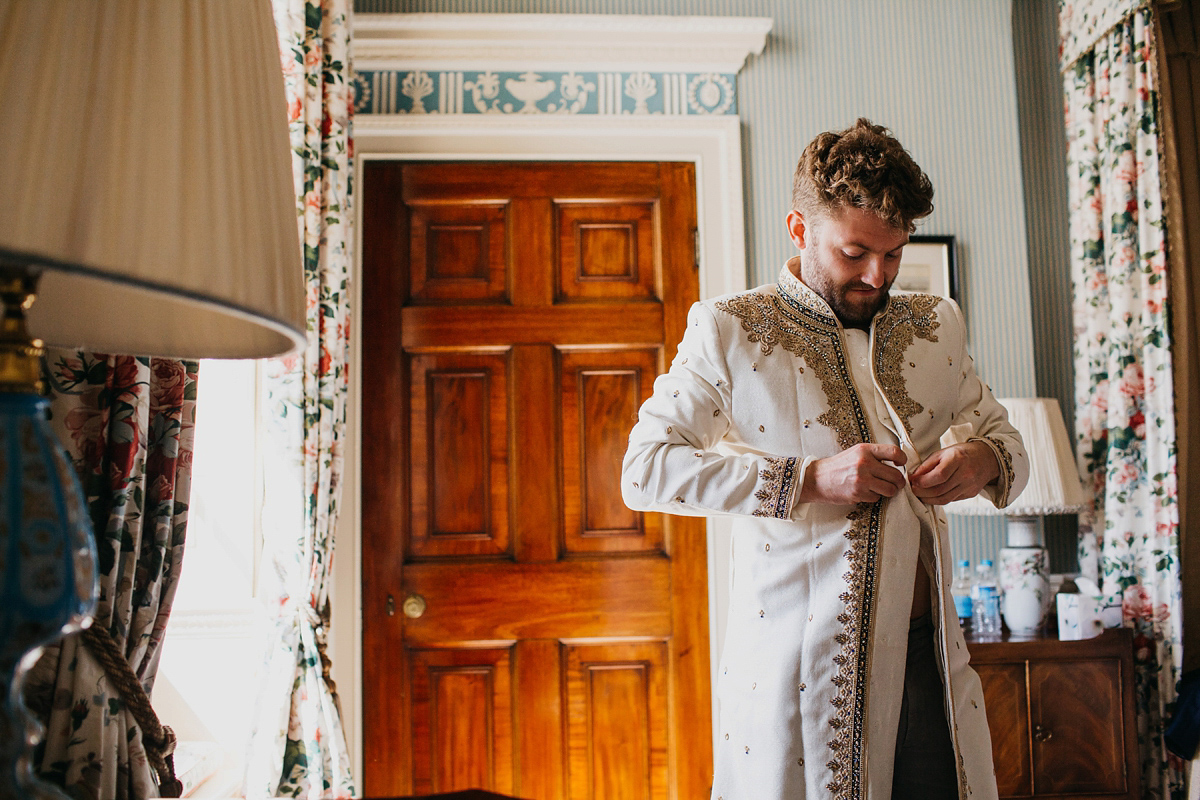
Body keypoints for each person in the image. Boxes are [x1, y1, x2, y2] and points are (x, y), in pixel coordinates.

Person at [621, 118, 1028, 800]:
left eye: (895, 255)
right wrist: (808, 480)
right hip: (800, 667)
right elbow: (645, 468)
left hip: (928, 654)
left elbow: (1004, 436)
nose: (878, 275)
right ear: (800, 228)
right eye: (855, 253)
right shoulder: (732, 328)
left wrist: (982, 460)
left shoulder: (937, 324)